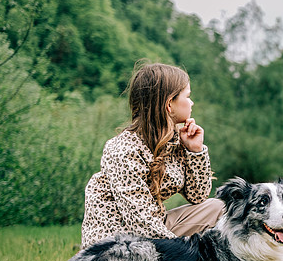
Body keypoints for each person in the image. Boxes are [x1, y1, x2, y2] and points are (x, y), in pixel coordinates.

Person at [81, 61, 223, 249]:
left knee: (218, 208)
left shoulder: (173, 140)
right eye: (187, 96)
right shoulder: (123, 149)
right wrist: (184, 252)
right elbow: (140, 223)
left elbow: (198, 196)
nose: (192, 102)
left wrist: (194, 150)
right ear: (169, 105)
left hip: (155, 228)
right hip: (116, 244)